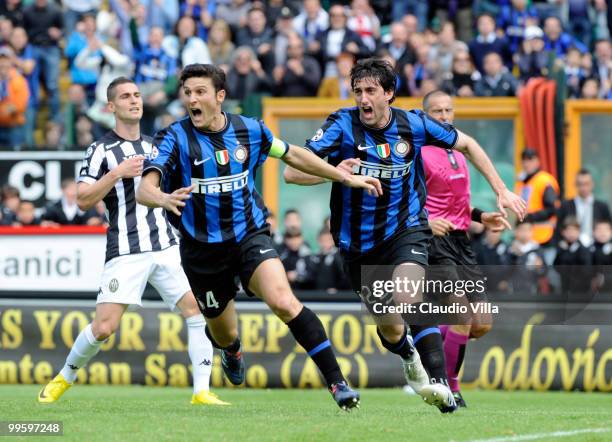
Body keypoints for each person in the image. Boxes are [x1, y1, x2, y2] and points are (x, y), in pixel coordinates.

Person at [284, 58, 526, 413]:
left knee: (409, 295)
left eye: (371, 91)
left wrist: (502, 190)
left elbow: (469, 144)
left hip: (406, 231)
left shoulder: (413, 124)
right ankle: (409, 355)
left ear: (389, 93)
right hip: (358, 245)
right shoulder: (341, 126)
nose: (363, 99)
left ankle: (443, 386)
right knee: (393, 330)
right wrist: (334, 173)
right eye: (358, 92)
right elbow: (293, 173)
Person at [136, 63, 383, 410]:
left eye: (200, 91)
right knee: (224, 333)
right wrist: (163, 198)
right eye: (188, 92)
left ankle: (338, 383)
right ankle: (232, 350)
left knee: (284, 301)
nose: (192, 99)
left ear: (220, 97)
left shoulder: (250, 130)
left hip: (249, 236)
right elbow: (144, 190)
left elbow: (294, 154)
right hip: (202, 251)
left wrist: (343, 178)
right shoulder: (173, 137)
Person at [38, 77, 227, 407]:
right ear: (111, 107)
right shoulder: (101, 150)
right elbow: (82, 199)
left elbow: (167, 189)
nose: (134, 100)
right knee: (104, 328)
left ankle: (202, 392)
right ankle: (64, 377)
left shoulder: (158, 145)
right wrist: (116, 174)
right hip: (126, 248)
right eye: (126, 96)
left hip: (166, 244)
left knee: (196, 311)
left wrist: (172, 195)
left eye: (137, 95)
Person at [420, 89, 512, 407]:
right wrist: (427, 220)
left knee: (481, 322)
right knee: (461, 313)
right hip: (434, 241)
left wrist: (482, 216)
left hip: (462, 241)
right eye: (436, 112)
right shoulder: (417, 153)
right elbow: (405, 200)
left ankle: (428, 339)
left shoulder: (459, 152)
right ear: (424, 117)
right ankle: (450, 387)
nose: (444, 117)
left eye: (448, 111)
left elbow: (460, 203)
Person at [514, 148, 560, 257]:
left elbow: (552, 209)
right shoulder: (521, 182)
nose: (526, 163)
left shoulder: (544, 180)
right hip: (525, 238)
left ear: (537, 161)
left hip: (544, 238)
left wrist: (530, 216)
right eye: (524, 160)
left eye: (530, 159)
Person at [556, 169, 611, 247]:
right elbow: (559, 229)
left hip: (597, 249)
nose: (583, 188)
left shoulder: (602, 206)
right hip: (573, 249)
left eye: (586, 184)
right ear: (575, 185)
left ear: (592, 184)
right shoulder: (565, 206)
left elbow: (608, 227)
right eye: (580, 184)